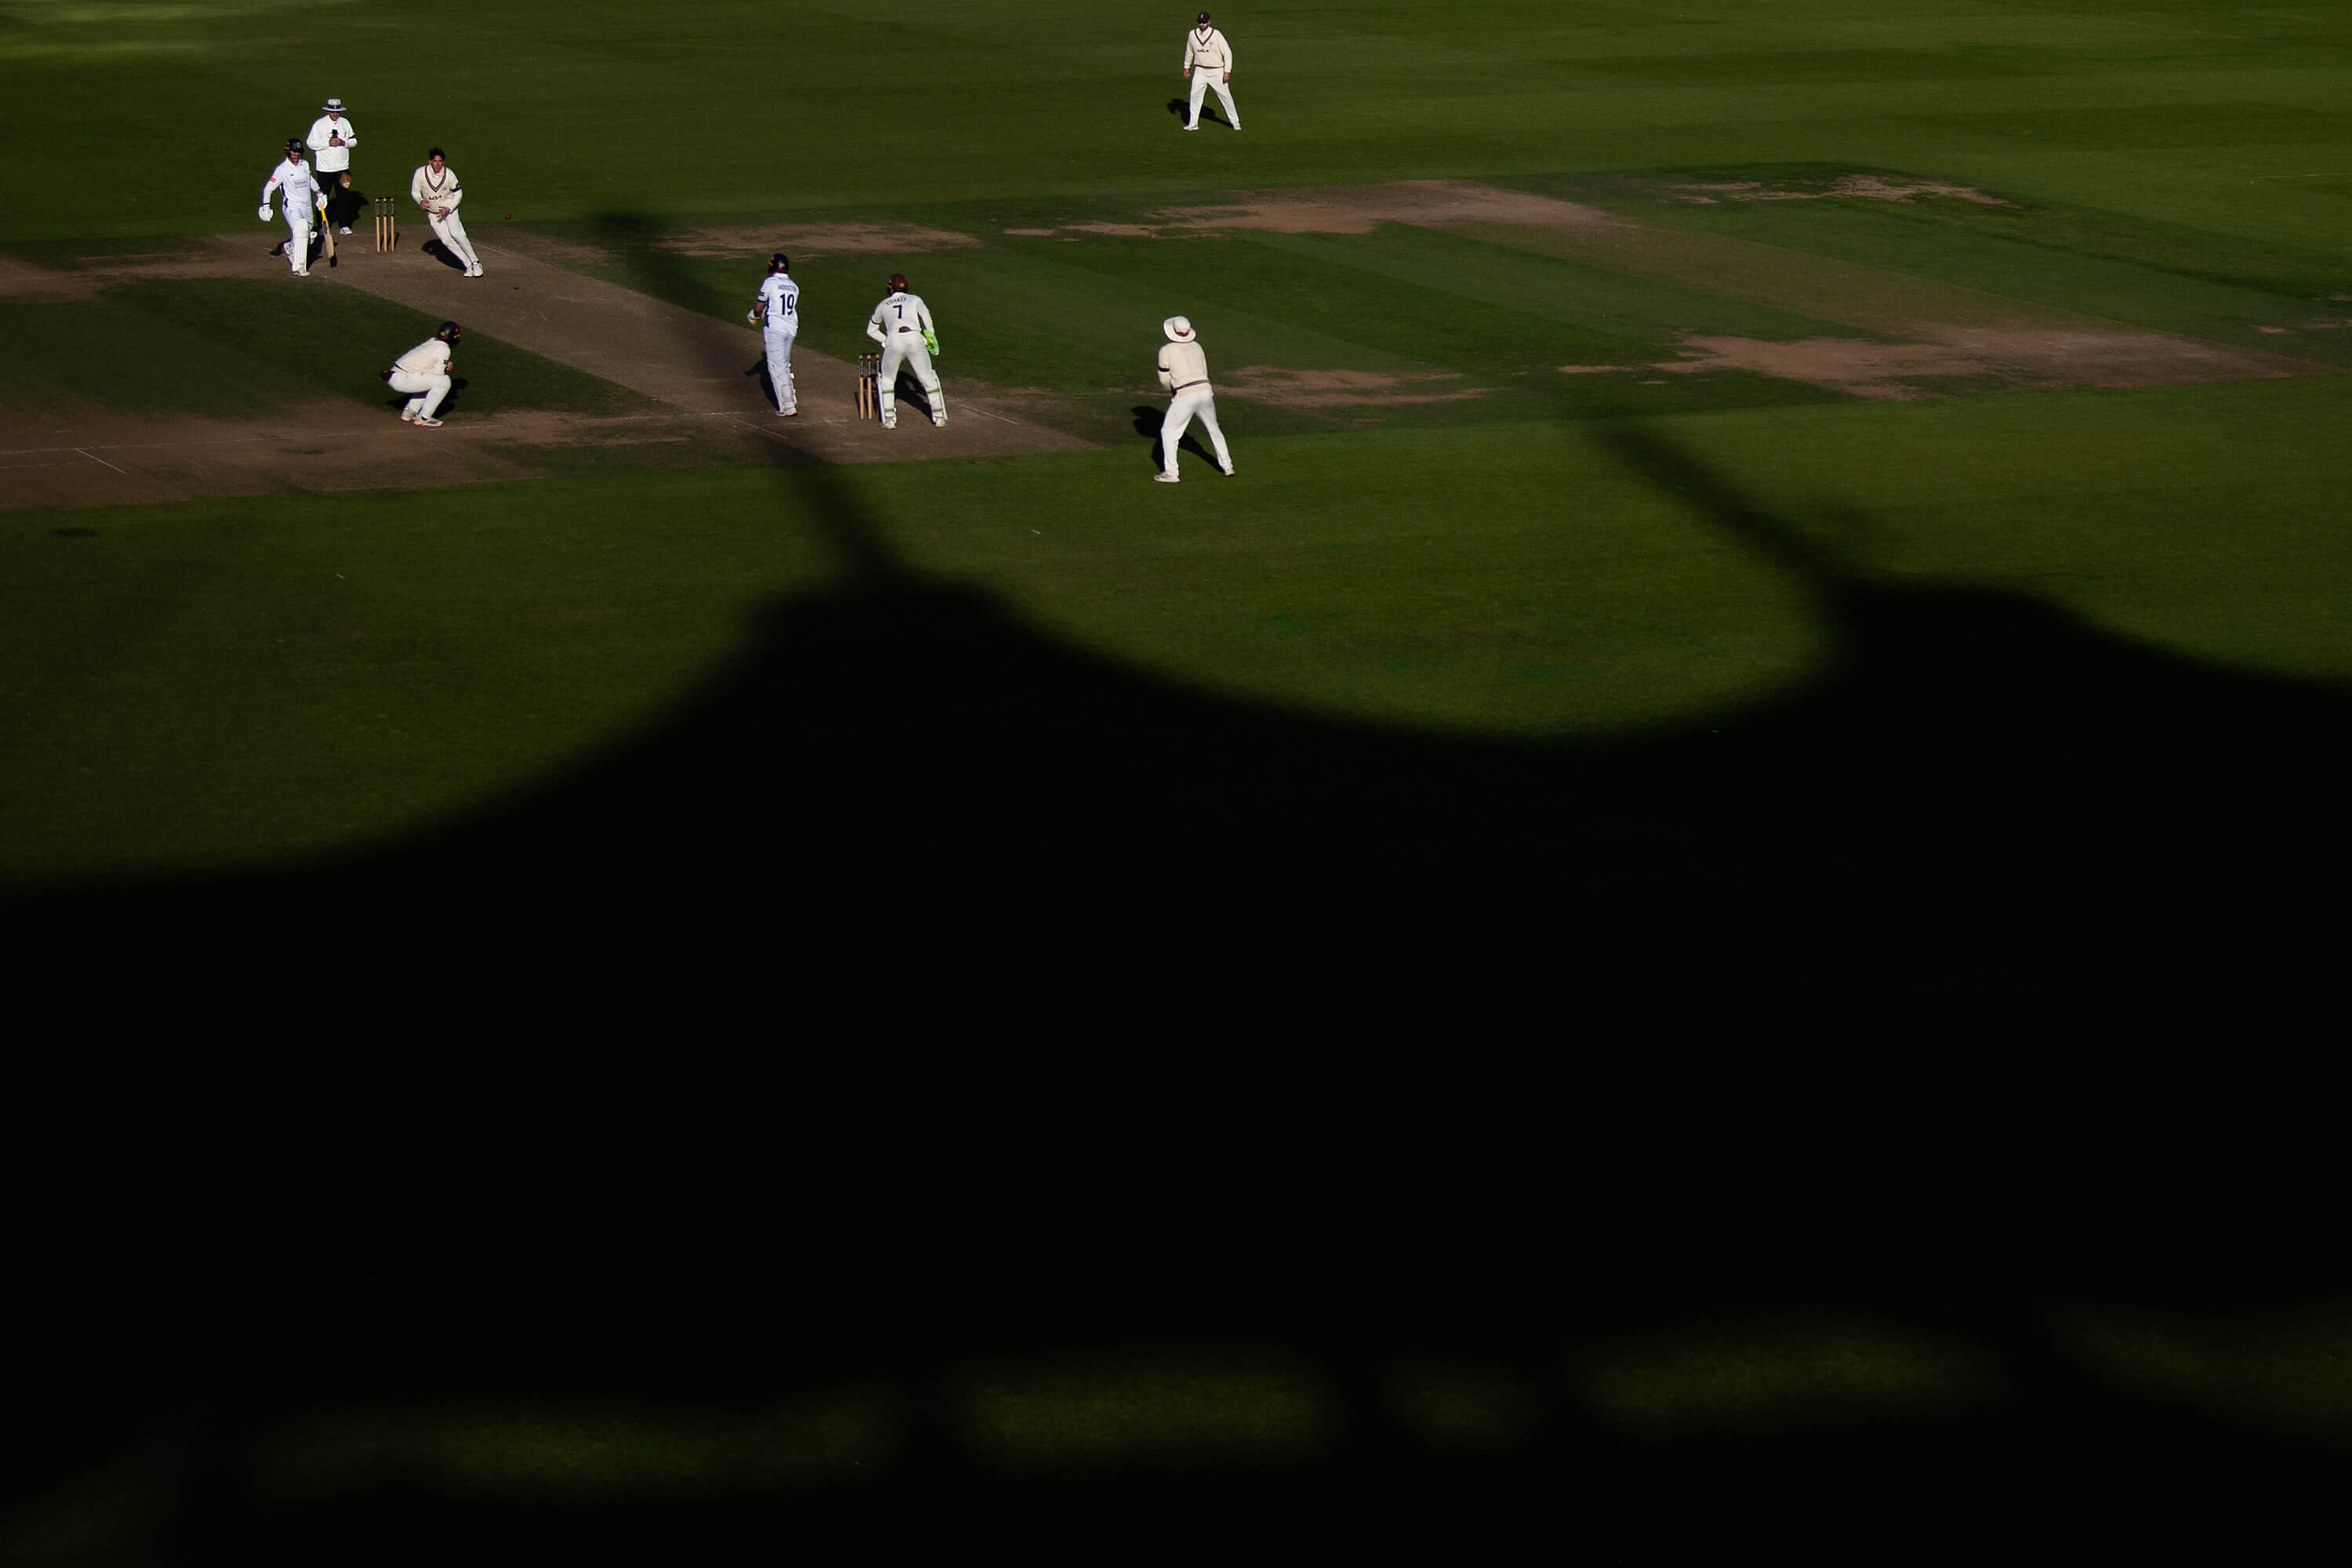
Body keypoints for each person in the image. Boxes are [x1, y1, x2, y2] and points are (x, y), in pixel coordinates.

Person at [1154, 315, 1233, 481]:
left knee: (1168, 432)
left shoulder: (1166, 350)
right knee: (1214, 428)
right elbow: (1204, 371)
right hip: (1205, 391)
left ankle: (1171, 474)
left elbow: (1164, 379)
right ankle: (1227, 466)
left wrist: (1173, 389)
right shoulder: (1197, 346)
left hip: (1185, 394)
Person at [864, 273, 946, 430]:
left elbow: (871, 330)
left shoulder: (883, 305)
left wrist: (885, 340)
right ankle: (939, 418)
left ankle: (889, 420)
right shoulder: (915, 299)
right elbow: (925, 315)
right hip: (915, 337)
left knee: (887, 380)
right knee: (928, 378)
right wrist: (931, 334)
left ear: (890, 289)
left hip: (894, 340)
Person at [409, 148, 483, 278]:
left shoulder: (449, 174)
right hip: (433, 213)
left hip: (449, 209)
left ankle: (476, 262)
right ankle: (468, 265)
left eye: (440, 161)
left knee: (457, 234)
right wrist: (420, 200)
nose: (437, 165)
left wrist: (449, 207)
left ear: (443, 161)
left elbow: (458, 193)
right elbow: (415, 192)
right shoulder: (420, 173)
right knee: (446, 240)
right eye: (435, 161)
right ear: (430, 161)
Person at [258, 137, 322, 277]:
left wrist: (319, 194)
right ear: (288, 152)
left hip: (306, 206)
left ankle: (290, 246)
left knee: (310, 236)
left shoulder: (304, 165)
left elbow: (309, 179)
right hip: (292, 207)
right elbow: (268, 189)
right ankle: (299, 266)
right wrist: (266, 205)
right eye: (293, 153)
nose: (296, 156)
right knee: (301, 229)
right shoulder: (282, 170)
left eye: (298, 153)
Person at [746, 252, 800, 416]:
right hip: (791, 329)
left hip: (775, 329)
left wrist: (755, 316)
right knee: (784, 364)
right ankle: (791, 399)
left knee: (777, 367)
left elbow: (758, 307)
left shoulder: (769, 283)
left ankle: (788, 406)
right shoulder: (794, 286)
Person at [384, 321, 461, 427]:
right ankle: (424, 418)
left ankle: (409, 412)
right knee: (444, 382)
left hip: (396, 375)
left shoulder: (432, 342)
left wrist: (445, 364)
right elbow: (438, 375)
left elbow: (427, 366)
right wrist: (445, 367)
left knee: (430, 381)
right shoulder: (444, 349)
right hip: (404, 378)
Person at [305, 98, 359, 233]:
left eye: (337, 112)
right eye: (332, 112)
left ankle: (344, 225)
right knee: (323, 198)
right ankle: (321, 227)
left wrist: (343, 142)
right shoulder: (319, 124)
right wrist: (327, 143)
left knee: (343, 197)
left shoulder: (345, 123)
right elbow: (310, 143)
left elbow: (354, 141)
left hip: (342, 168)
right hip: (325, 169)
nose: (335, 114)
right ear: (328, 111)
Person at [1181, 12, 1239, 131]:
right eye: (1200, 22)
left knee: (1226, 97)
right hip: (1200, 71)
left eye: (1204, 22)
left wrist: (1227, 71)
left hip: (1217, 71)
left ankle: (1235, 122)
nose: (1202, 24)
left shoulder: (1216, 35)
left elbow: (1227, 53)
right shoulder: (1192, 34)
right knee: (1195, 96)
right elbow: (1189, 51)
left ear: (1209, 22)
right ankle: (1193, 123)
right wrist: (1186, 67)